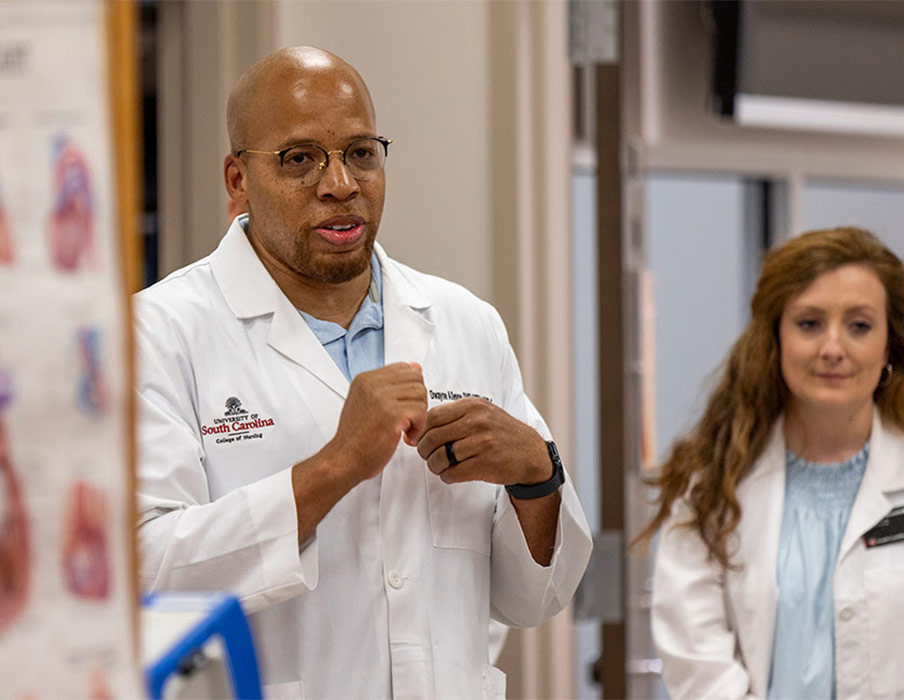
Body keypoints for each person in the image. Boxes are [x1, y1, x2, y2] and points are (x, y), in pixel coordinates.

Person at [134, 46, 592, 699]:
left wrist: (536, 476)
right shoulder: (160, 332)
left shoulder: (465, 323)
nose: (340, 184)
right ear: (238, 181)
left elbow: (531, 600)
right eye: (300, 159)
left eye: (360, 153)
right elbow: (145, 572)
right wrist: (337, 465)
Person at [639, 227, 904, 699]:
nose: (833, 348)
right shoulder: (712, 482)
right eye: (809, 324)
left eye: (859, 326)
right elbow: (699, 666)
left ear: (890, 346)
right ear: (775, 339)